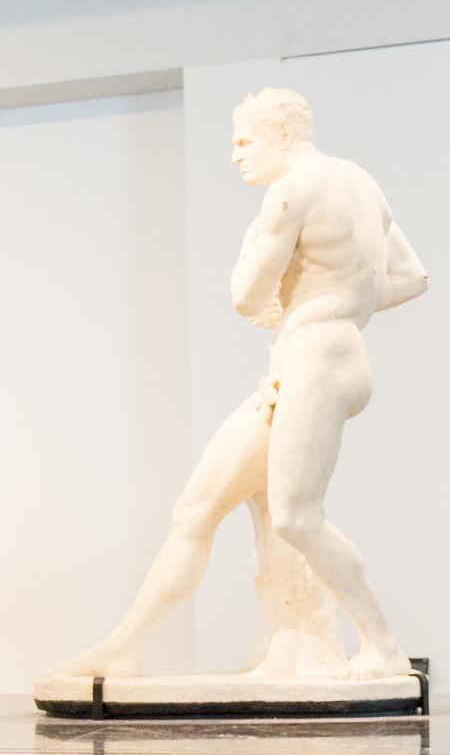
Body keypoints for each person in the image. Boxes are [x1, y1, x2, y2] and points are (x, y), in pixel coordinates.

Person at [55, 87, 427, 682]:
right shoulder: (361, 182)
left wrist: (302, 307)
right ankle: (124, 645)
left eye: (244, 141)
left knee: (296, 516)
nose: (235, 156)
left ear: (281, 134)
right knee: (196, 507)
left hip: (316, 360)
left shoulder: (293, 190)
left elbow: (245, 294)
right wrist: (341, 301)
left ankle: (383, 645)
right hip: (312, 358)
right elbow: (411, 276)